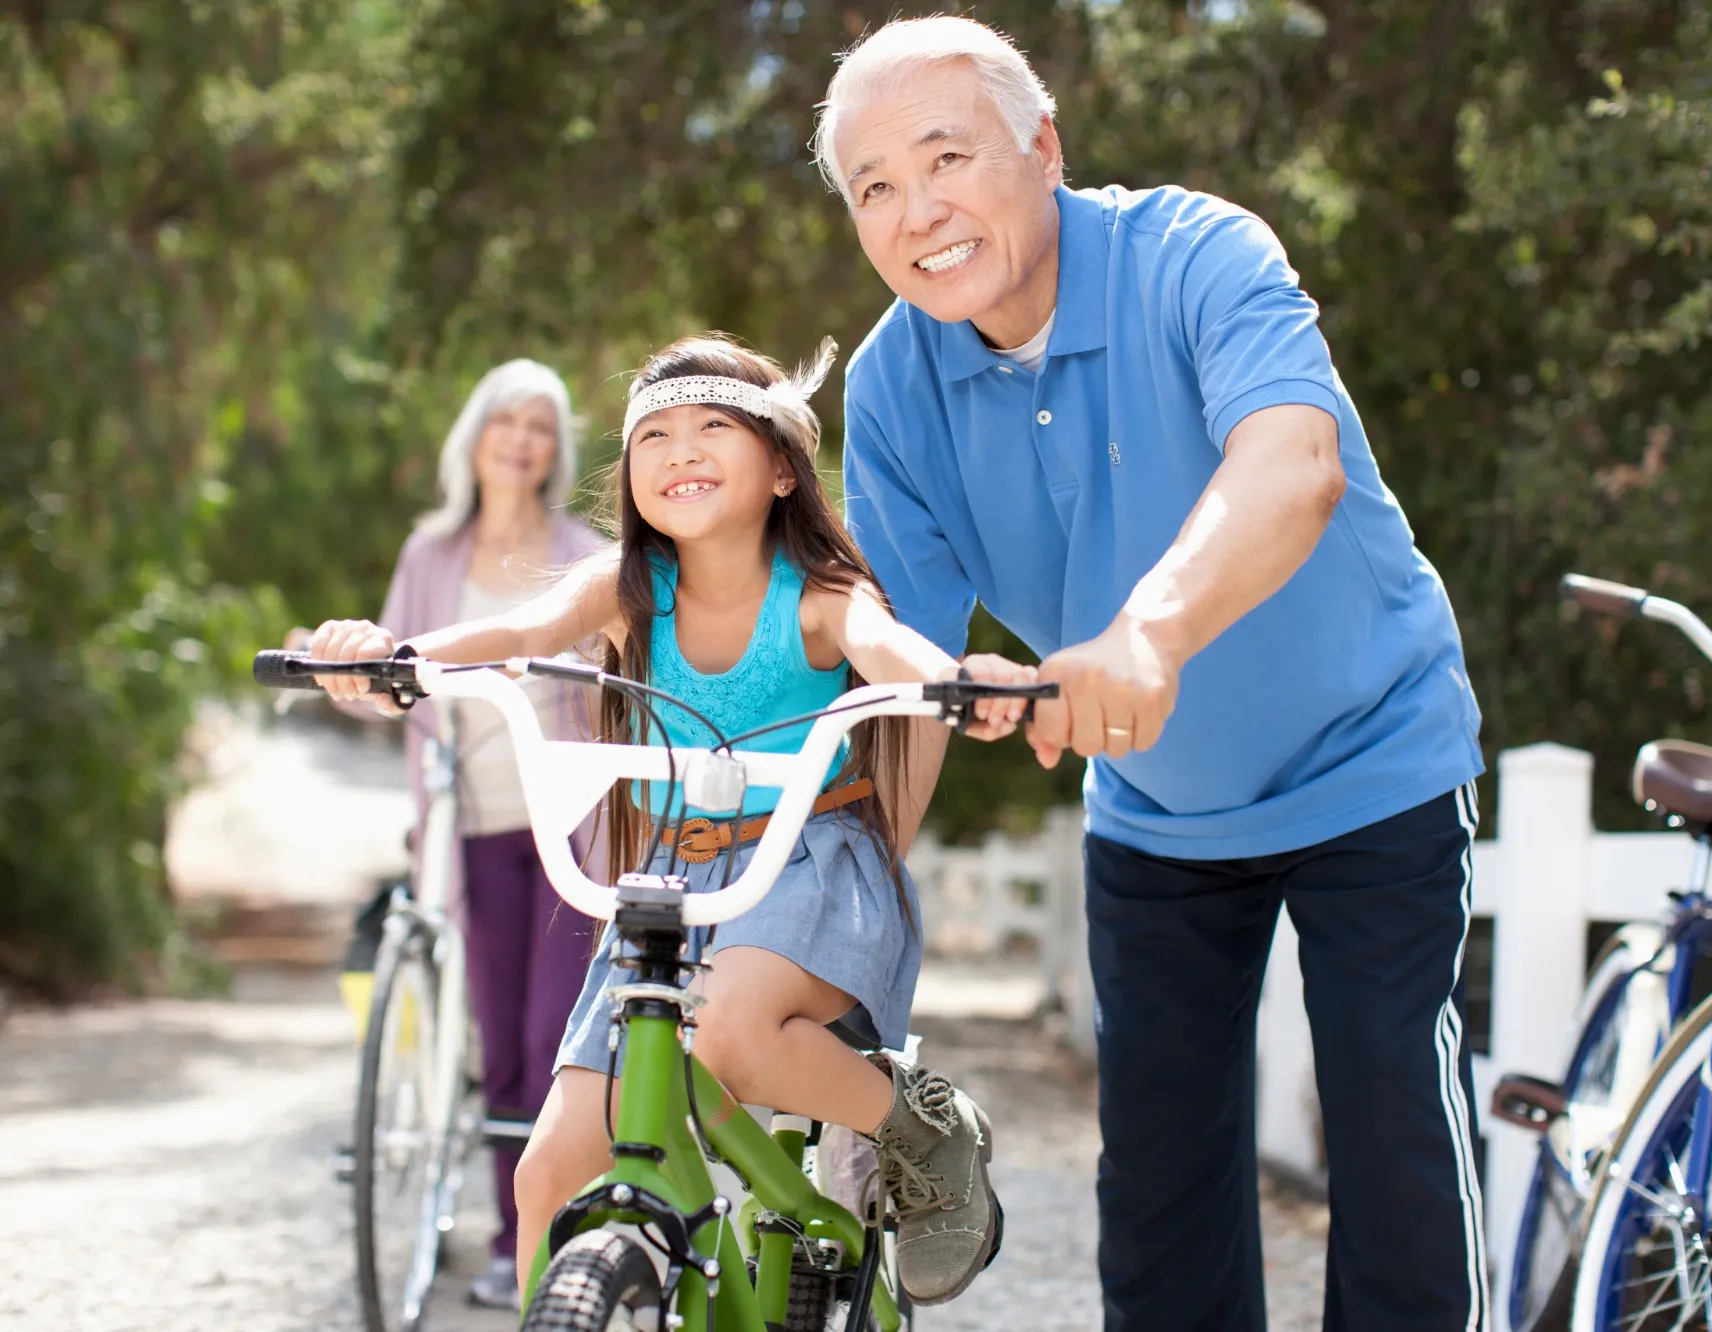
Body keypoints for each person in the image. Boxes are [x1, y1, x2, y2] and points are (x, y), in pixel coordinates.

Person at [817, 18, 1490, 1332]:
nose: (916, 211)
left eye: (944, 157)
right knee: (1160, 1192)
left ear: (1042, 146)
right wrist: (830, 907)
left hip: (1369, 759)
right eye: (873, 187)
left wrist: (1145, 634)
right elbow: (892, 659)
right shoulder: (893, 382)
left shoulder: (1197, 255)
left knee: (1386, 1126)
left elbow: (1293, 466)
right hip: (1156, 810)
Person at [305, 334, 1037, 1308]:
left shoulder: (819, 596)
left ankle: (921, 1131)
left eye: (712, 428)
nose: (679, 450)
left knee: (727, 1035)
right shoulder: (627, 587)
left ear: (782, 467)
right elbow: (521, 635)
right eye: (654, 435)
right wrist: (396, 655)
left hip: (804, 863)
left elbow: (888, 646)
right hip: (667, 883)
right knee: (549, 1172)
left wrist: (955, 684)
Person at [313, 359, 609, 1309]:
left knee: (551, 1032)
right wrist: (351, 673)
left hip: (566, 822)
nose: (520, 439)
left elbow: (625, 669)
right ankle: (506, 1239)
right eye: (504, 422)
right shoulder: (432, 554)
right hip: (468, 826)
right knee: (497, 1039)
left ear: (555, 449)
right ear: (475, 438)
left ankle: (550, 1236)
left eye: (539, 426)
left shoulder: (584, 549)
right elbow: (393, 686)